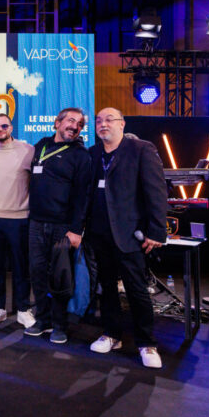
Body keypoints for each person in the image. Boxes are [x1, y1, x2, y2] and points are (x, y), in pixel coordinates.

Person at [86, 107, 167, 368]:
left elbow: (156, 192)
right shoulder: (93, 153)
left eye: (109, 119)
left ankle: (146, 343)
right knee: (106, 288)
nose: (103, 124)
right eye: (99, 120)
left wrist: (157, 231)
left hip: (129, 234)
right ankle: (111, 334)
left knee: (136, 289)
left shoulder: (141, 149)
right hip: (99, 233)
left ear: (122, 124)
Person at [25, 108, 91, 344]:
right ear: (57, 123)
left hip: (63, 227)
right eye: (71, 120)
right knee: (37, 273)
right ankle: (42, 320)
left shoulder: (81, 155)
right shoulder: (41, 145)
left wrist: (76, 230)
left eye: (80, 124)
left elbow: (83, 196)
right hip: (36, 223)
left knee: (61, 277)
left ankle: (60, 325)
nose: (75, 126)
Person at [0, 114, 35, 329]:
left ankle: (23, 309)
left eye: (4, 125)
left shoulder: (28, 150)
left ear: (11, 127)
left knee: (21, 267)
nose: (0, 129)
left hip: (19, 218)